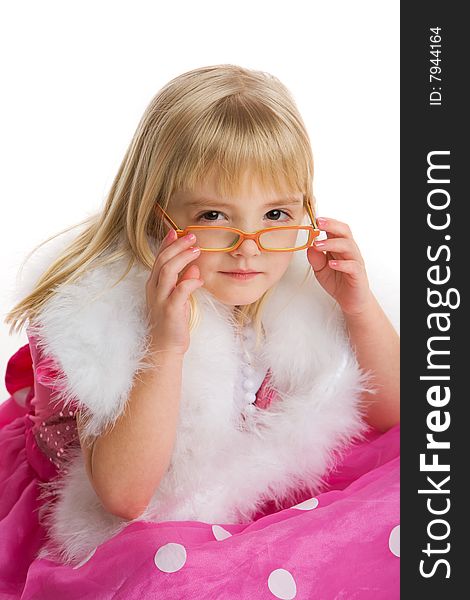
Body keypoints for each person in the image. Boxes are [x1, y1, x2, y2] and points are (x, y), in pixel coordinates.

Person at [1, 64, 400, 598]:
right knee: (171, 579)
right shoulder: (100, 318)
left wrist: (359, 308)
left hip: (258, 497)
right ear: (154, 212)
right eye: (214, 214)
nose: (250, 247)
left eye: (276, 213)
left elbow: (395, 415)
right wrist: (165, 345)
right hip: (145, 507)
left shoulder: (299, 291)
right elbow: (125, 498)